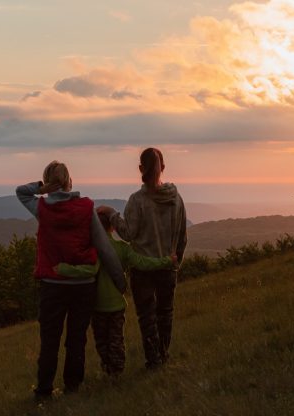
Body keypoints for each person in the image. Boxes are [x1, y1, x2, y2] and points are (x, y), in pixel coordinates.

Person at [16, 161, 126, 399]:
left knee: (50, 340)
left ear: (48, 183)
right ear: (69, 181)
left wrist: (42, 188)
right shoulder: (86, 208)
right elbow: (104, 247)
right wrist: (120, 280)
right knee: (76, 339)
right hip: (82, 288)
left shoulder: (42, 208)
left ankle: (44, 390)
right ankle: (73, 387)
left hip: (52, 286)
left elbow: (20, 192)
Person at [55, 206, 177, 377]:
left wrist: (61, 269)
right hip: (116, 305)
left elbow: (85, 270)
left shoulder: (90, 250)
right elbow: (143, 263)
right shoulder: (123, 248)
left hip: (96, 306)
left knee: (101, 343)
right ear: (113, 227)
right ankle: (116, 374)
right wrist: (166, 261)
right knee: (116, 341)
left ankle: (109, 371)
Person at [103, 148, 187, 369]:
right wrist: (176, 262)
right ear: (164, 168)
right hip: (168, 266)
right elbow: (182, 237)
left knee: (147, 317)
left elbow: (128, 233)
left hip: (143, 270)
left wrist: (112, 214)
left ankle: (154, 360)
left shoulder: (137, 201)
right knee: (165, 314)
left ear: (141, 168)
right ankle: (163, 354)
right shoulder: (176, 199)